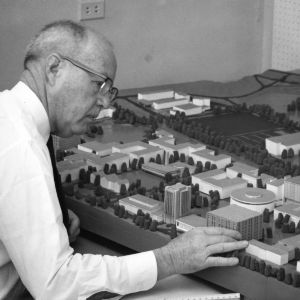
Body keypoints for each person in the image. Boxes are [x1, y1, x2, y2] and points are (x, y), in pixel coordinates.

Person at [0, 20, 248, 299]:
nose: (106, 103)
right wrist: (171, 259)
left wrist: (45, 221)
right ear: (54, 68)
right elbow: (57, 284)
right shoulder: (23, 149)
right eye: (98, 84)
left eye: (109, 90)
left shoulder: (9, 117)